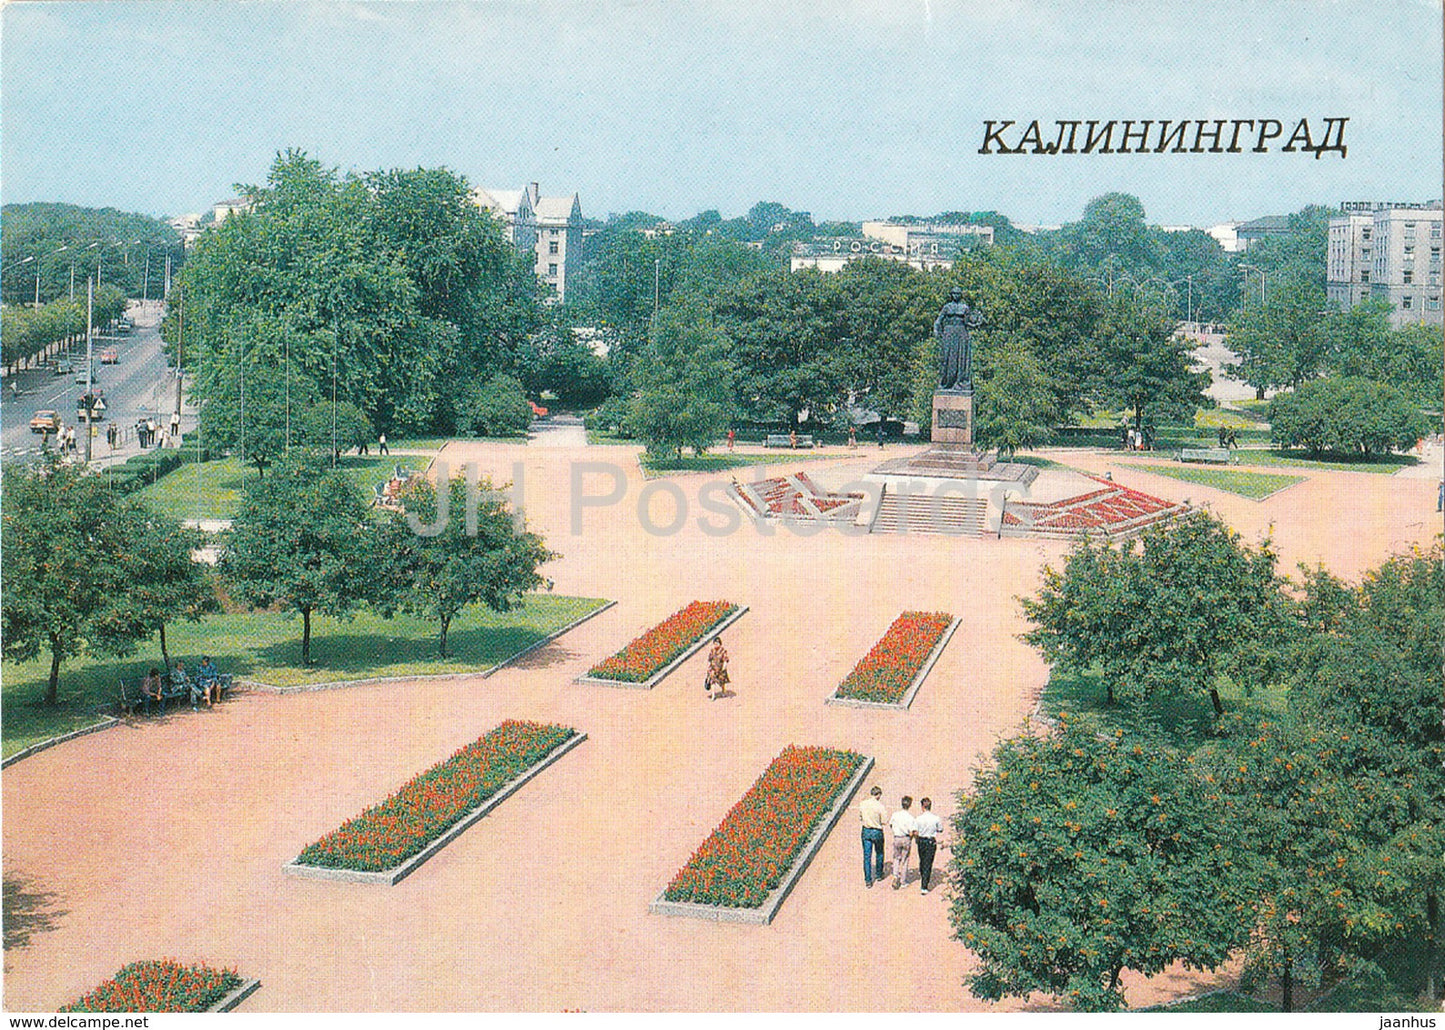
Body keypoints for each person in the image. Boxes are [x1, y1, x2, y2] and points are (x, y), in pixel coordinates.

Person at [858, 785, 887, 888]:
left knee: (867, 856)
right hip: (877, 831)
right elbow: (884, 821)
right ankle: (879, 874)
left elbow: (860, 817)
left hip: (866, 830)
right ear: (878, 795)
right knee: (879, 853)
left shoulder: (862, 804)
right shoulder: (880, 806)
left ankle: (868, 880)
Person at [913, 797, 943, 895]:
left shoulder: (918, 819)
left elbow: (915, 831)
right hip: (931, 841)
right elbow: (940, 829)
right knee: (928, 862)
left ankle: (923, 876)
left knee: (922, 860)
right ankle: (924, 885)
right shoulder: (936, 818)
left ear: (922, 807)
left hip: (921, 840)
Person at [890, 796, 916, 890]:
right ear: (910, 805)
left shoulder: (895, 815)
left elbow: (891, 824)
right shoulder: (910, 818)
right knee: (905, 860)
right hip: (906, 838)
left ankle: (895, 876)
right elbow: (912, 831)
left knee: (896, 858)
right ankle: (903, 881)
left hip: (897, 837)